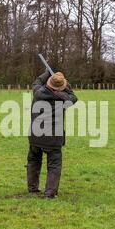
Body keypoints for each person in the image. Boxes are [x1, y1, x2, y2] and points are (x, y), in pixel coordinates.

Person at [27, 71, 78, 199]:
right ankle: (50, 193)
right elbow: (73, 96)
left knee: (33, 160)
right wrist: (65, 84)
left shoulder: (38, 93)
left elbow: (37, 82)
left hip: (35, 136)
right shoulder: (65, 99)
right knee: (54, 165)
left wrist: (47, 73)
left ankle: (32, 188)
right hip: (54, 138)